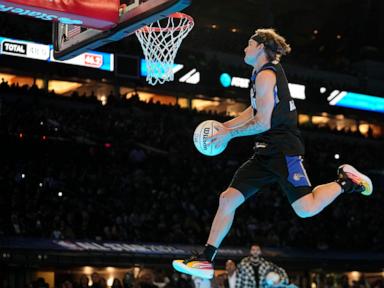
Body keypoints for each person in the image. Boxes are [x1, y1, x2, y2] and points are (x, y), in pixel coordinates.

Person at [172, 28, 373, 279]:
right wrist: (225, 126)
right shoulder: (258, 74)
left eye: (249, 43)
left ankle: (346, 181)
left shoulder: (267, 75)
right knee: (227, 199)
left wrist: (229, 135)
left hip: (283, 148)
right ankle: (205, 259)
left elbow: (263, 122)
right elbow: (253, 110)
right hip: (265, 151)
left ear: (260, 48)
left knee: (306, 208)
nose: (244, 47)